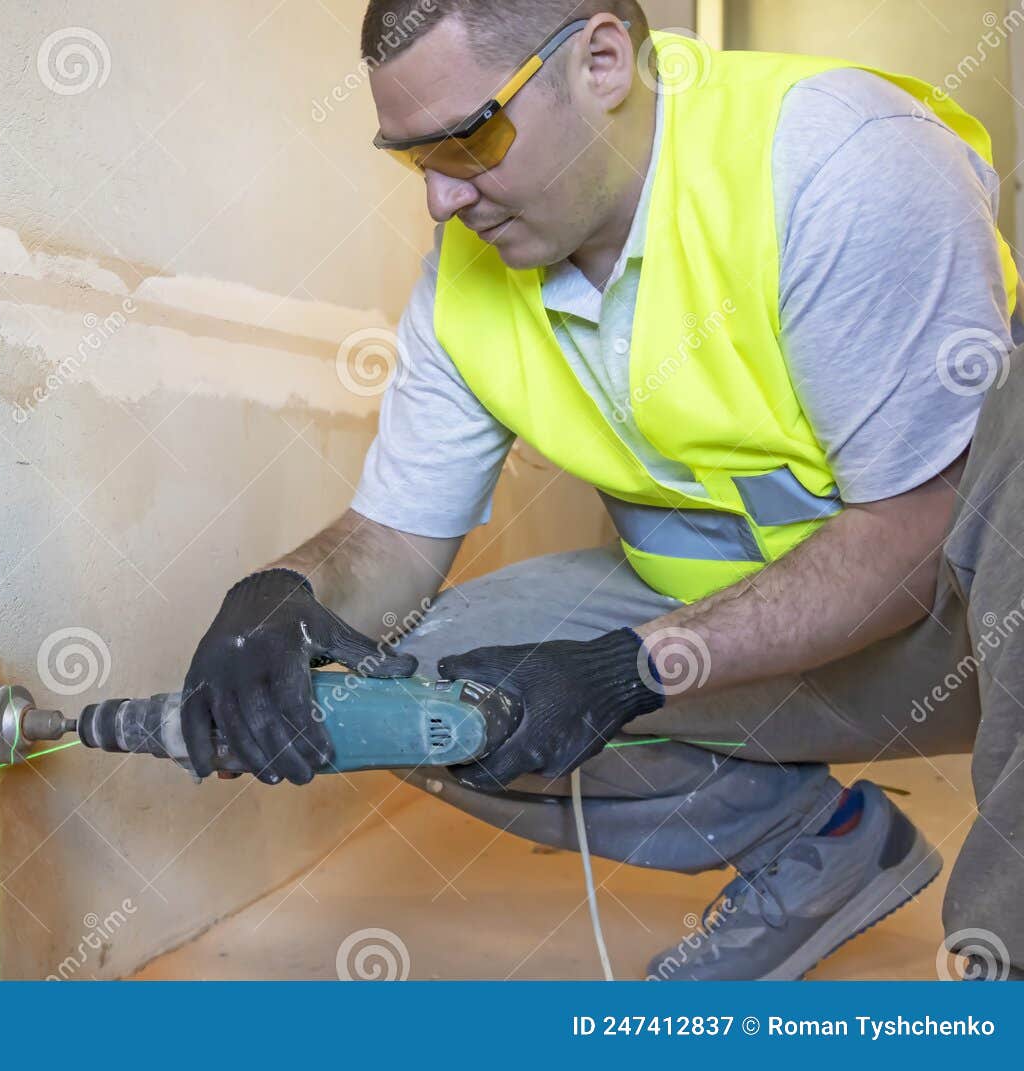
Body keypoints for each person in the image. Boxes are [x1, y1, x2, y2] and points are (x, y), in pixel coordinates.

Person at [176, 0, 1023, 980]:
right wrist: (278, 600)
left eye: (467, 140)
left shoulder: (835, 163)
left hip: (953, 641)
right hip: (732, 638)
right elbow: (394, 542)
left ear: (604, 61)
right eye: (416, 160)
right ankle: (822, 843)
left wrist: (632, 669)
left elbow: (916, 539)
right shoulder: (468, 276)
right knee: (396, 680)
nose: (442, 202)